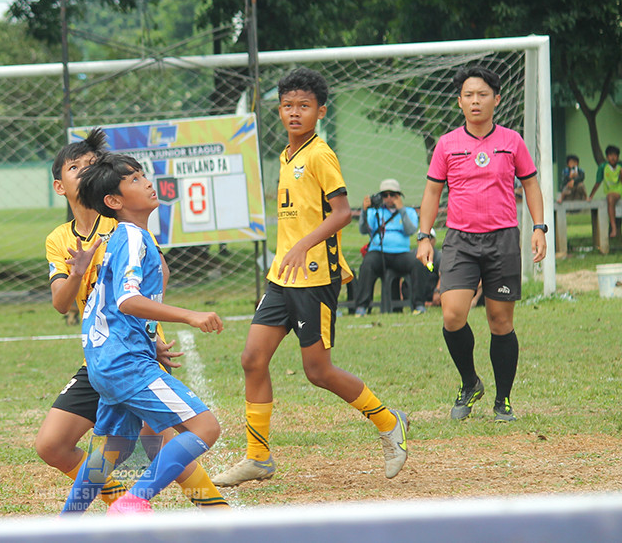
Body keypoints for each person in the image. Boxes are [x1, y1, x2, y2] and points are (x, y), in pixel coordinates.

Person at [212, 67, 409, 488]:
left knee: (318, 371)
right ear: (279, 112)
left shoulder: (320, 154)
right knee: (252, 358)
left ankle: (390, 422)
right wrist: (291, 252)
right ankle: (258, 457)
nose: (294, 113)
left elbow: (343, 213)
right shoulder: (286, 156)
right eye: (287, 106)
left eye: (304, 106)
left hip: (316, 277)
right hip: (283, 277)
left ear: (320, 110)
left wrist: (304, 245)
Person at [39, 131, 228, 511]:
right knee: (202, 428)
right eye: (135, 178)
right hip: (122, 358)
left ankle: (68, 523)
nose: (147, 182)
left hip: (109, 352)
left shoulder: (122, 233)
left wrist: (149, 335)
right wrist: (190, 315)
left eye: (143, 175)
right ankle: (135, 503)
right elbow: (125, 299)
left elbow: (111, 300)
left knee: (116, 448)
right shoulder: (121, 236)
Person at [416, 66, 546, 423]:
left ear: (497, 100)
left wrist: (539, 227)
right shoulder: (447, 144)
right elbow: (432, 191)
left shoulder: (512, 141)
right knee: (452, 313)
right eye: (469, 95)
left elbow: (531, 185)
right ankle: (469, 382)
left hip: (503, 238)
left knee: (499, 321)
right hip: (459, 240)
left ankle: (503, 399)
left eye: (483, 94)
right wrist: (424, 235)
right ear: (459, 102)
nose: (476, 101)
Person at [353, 178, 426, 316]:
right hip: (379, 253)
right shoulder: (376, 212)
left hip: (400, 254)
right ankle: (362, 306)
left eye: (392, 195)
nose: (389, 198)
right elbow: (363, 230)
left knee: (418, 263)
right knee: (367, 264)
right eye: (385, 195)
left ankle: (419, 304)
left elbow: (410, 230)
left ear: (399, 196)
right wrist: (364, 211)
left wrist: (401, 210)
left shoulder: (409, 212)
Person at [587, 145, 622, 238]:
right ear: (607, 157)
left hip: (619, 191)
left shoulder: (620, 166)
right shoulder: (603, 167)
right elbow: (598, 182)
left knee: (610, 198)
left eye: (615, 155)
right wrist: (591, 196)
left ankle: (614, 228)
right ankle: (613, 227)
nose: (613, 157)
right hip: (610, 193)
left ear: (618, 157)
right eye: (611, 155)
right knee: (610, 198)